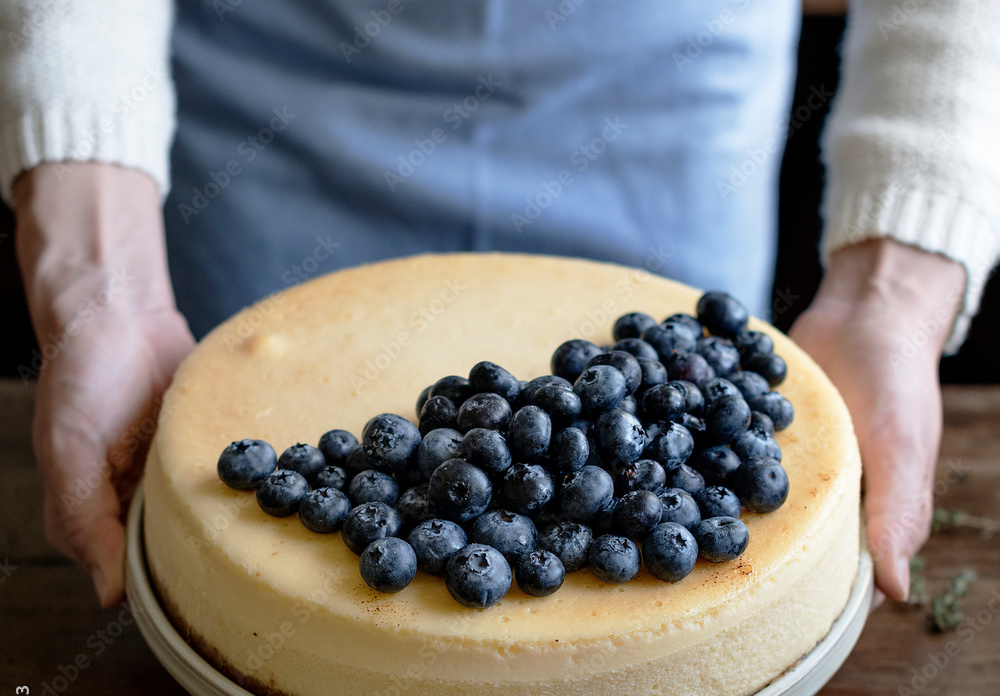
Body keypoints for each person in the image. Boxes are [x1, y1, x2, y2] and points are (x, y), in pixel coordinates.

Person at [2, 1, 998, 608]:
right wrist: (102, 284)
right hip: (272, 104)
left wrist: (892, 296)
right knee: (266, 514)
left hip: (656, 97)